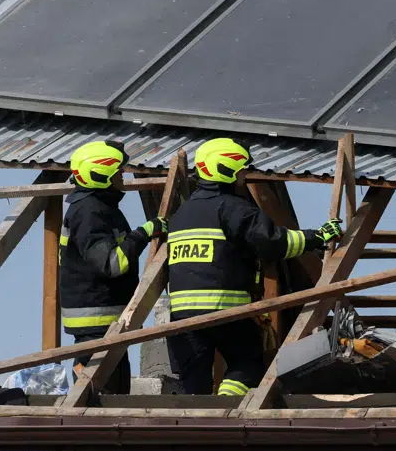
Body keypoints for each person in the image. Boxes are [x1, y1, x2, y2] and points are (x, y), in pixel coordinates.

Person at [165, 137, 344, 395]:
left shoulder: (181, 214)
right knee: (248, 362)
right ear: (228, 170)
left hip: (181, 316)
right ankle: (228, 406)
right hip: (224, 312)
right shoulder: (235, 208)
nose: (244, 174)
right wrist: (319, 236)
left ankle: (194, 427)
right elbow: (275, 243)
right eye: (241, 169)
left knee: (192, 380)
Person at [59, 140, 165, 394]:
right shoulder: (89, 212)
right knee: (99, 400)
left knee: (115, 398)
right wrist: (143, 234)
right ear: (102, 175)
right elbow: (112, 264)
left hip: (104, 324)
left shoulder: (99, 207)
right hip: (96, 324)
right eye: (118, 171)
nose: (123, 177)